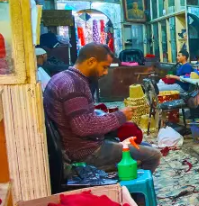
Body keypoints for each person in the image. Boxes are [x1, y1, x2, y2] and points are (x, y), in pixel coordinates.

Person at [44, 43, 162, 172]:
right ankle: (130, 189)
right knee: (153, 155)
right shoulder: (73, 85)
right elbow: (83, 126)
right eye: (104, 67)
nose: (105, 72)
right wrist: (120, 116)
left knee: (143, 146)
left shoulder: (63, 77)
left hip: (78, 144)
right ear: (91, 61)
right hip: (85, 151)